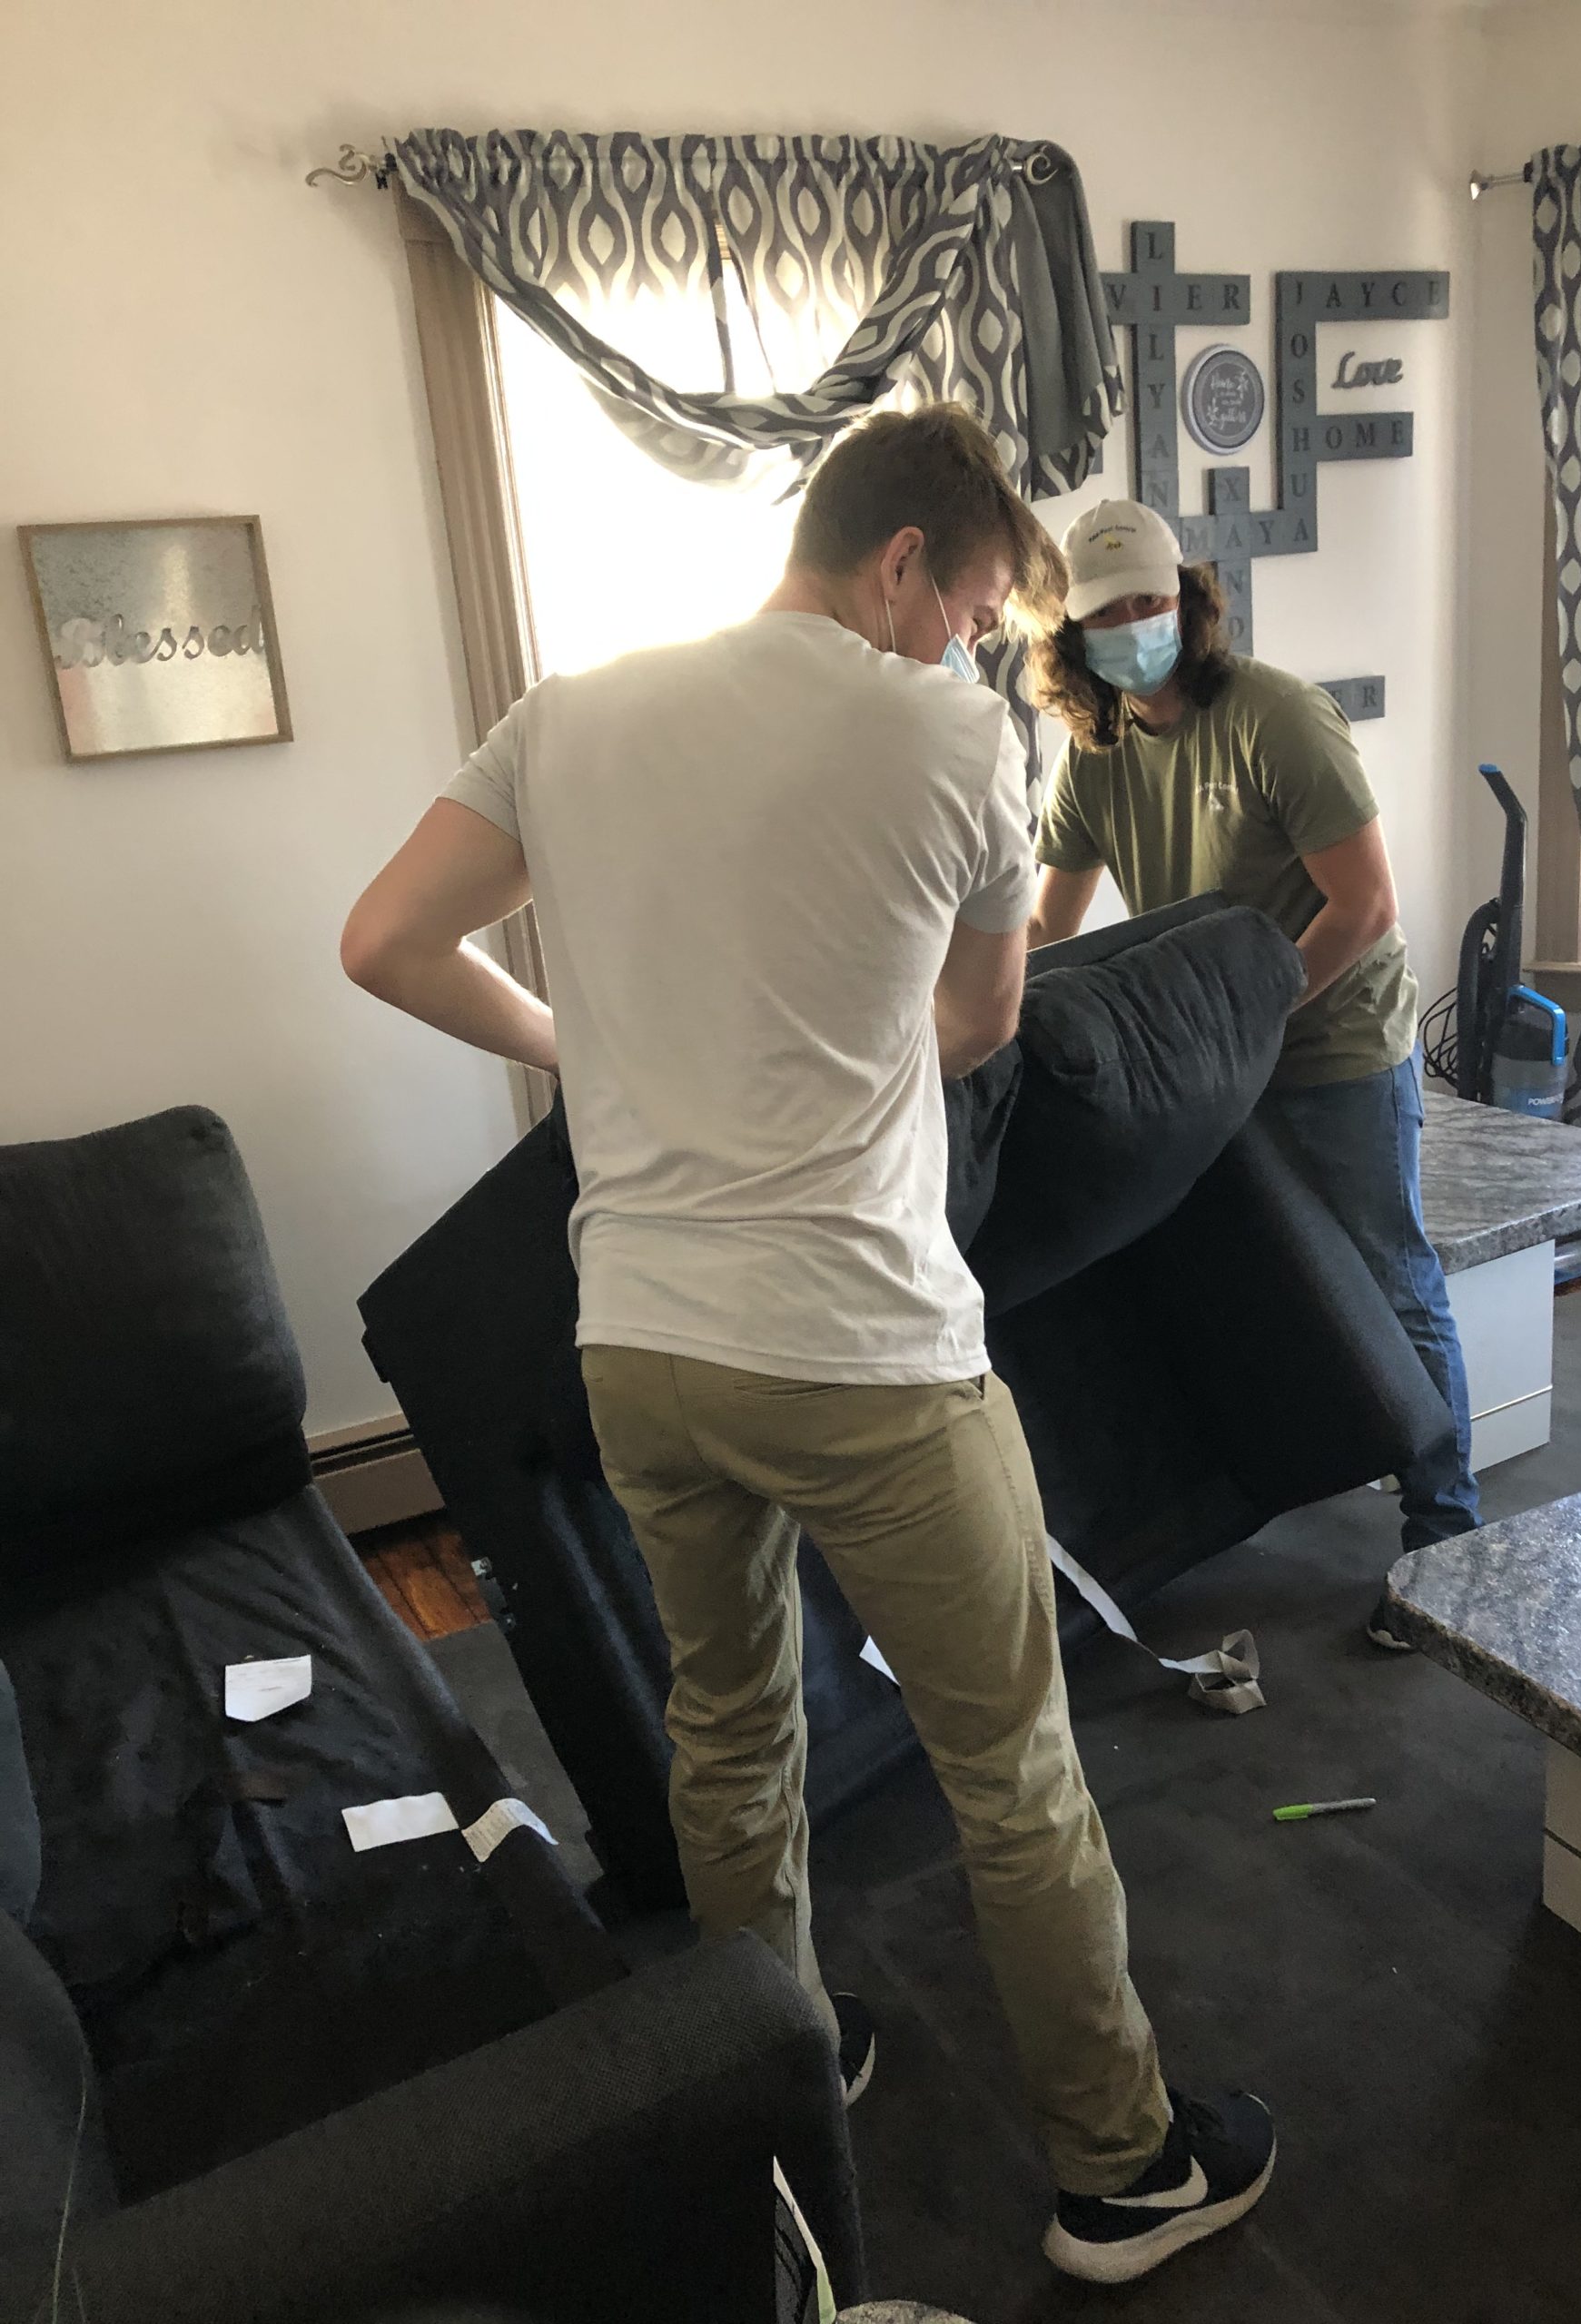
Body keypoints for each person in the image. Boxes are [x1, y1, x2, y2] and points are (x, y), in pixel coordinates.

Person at [341, 409, 1273, 2284]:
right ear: (903, 561)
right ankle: (1124, 2169)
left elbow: (384, 940)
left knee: (729, 1726)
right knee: (1011, 1764)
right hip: (864, 1348)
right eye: (977, 607)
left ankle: (773, 2058)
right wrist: (824, 1052)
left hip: (644, 1341)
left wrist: (587, 1047)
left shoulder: (570, 714)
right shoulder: (953, 734)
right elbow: (982, 1020)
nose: (976, 644)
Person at [1029, 497, 1480, 1643]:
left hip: (1332, 1049)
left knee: (1390, 1275)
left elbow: (1364, 904)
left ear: (1188, 601)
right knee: (1261, 1274)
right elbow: (1044, 930)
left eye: (1150, 600)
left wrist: (1249, 1013)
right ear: (1074, 635)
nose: (1133, 625)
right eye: (1107, 613)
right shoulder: (1096, 761)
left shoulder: (1278, 718)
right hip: (1218, 1062)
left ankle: (1447, 1538)